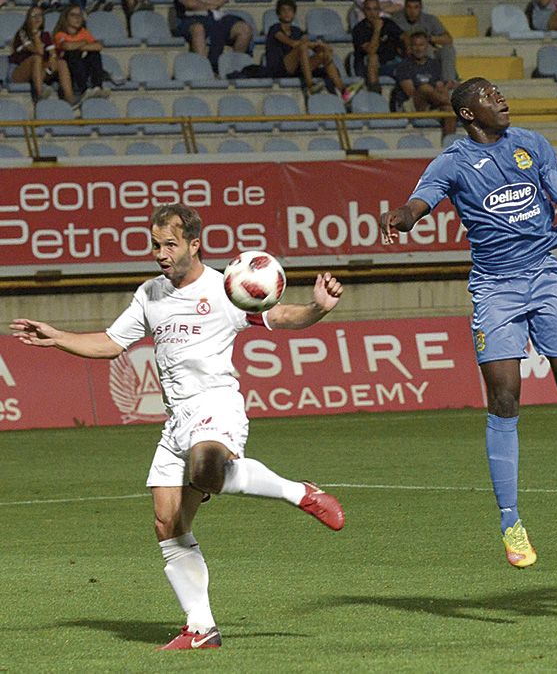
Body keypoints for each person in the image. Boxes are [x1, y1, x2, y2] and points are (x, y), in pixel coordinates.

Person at [9, 203, 347, 650]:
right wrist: (57, 337)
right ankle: (201, 628)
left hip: (216, 405)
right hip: (177, 420)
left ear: (194, 244)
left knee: (207, 467)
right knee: (168, 523)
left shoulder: (226, 287)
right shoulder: (149, 294)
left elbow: (276, 316)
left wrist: (316, 309)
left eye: (170, 244)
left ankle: (298, 491)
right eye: (155, 244)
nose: (161, 253)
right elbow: (111, 343)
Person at [379, 78, 557, 569]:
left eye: (500, 93)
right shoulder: (451, 162)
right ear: (468, 114)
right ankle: (511, 523)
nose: (501, 100)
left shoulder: (532, 144)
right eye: (489, 97)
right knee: (504, 398)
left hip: (545, 276)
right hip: (495, 288)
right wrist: (402, 216)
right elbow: (420, 203)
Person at [265, 0, 357, 103]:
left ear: (294, 13)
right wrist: (313, 44)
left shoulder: (297, 30)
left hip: (296, 68)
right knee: (302, 47)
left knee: (324, 55)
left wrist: (323, 47)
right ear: (279, 14)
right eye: (283, 10)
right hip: (279, 68)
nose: (287, 13)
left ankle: (343, 90)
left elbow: (311, 46)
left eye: (290, 10)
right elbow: (293, 43)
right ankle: (310, 85)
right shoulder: (274, 29)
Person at [9, 5, 75, 105]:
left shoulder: (46, 35)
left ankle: (70, 98)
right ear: (28, 18)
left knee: (61, 62)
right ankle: (39, 94)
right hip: (19, 72)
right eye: (34, 15)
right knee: (37, 58)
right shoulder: (22, 33)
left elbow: (53, 53)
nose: (37, 18)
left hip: (39, 72)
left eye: (40, 15)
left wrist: (52, 59)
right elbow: (38, 51)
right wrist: (35, 33)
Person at [394, 30, 456, 136]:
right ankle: (456, 105)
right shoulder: (403, 66)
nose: (418, 49)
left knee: (448, 110)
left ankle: (448, 146)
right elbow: (411, 92)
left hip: (433, 102)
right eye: (415, 45)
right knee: (424, 88)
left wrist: (438, 94)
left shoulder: (434, 64)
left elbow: (440, 87)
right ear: (411, 47)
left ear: (427, 46)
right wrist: (430, 92)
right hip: (413, 104)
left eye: (421, 45)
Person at [172, 0, 252, 75]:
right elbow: (189, 3)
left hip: (218, 17)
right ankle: (204, 71)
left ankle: (234, 69)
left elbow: (222, 0)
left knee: (244, 29)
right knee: (198, 29)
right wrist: (211, 4)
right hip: (191, 19)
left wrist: (201, 3)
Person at [51, 4, 108, 102]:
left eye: (79, 15)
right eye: (73, 15)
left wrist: (79, 46)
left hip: (81, 67)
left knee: (94, 54)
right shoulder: (60, 34)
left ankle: (97, 87)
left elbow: (98, 46)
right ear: (66, 18)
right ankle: (84, 90)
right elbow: (67, 46)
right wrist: (84, 42)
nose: (77, 18)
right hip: (68, 71)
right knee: (72, 54)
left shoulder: (83, 32)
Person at [394, 0, 457, 86]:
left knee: (448, 49)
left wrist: (429, 38)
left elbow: (448, 39)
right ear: (405, 8)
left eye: (416, 7)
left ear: (421, 8)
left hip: (429, 49)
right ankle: (429, 82)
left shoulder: (430, 19)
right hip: (407, 52)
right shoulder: (397, 20)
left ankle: (448, 82)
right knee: (426, 50)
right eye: (409, 7)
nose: (412, 11)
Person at [351, 0, 405, 95]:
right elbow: (371, 50)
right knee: (373, 57)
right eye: (369, 9)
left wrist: (408, 47)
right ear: (363, 11)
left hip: (389, 64)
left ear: (379, 11)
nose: (372, 13)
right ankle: (375, 94)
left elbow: (404, 37)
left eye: (375, 9)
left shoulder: (388, 23)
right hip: (367, 67)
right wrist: (377, 30)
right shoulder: (359, 29)